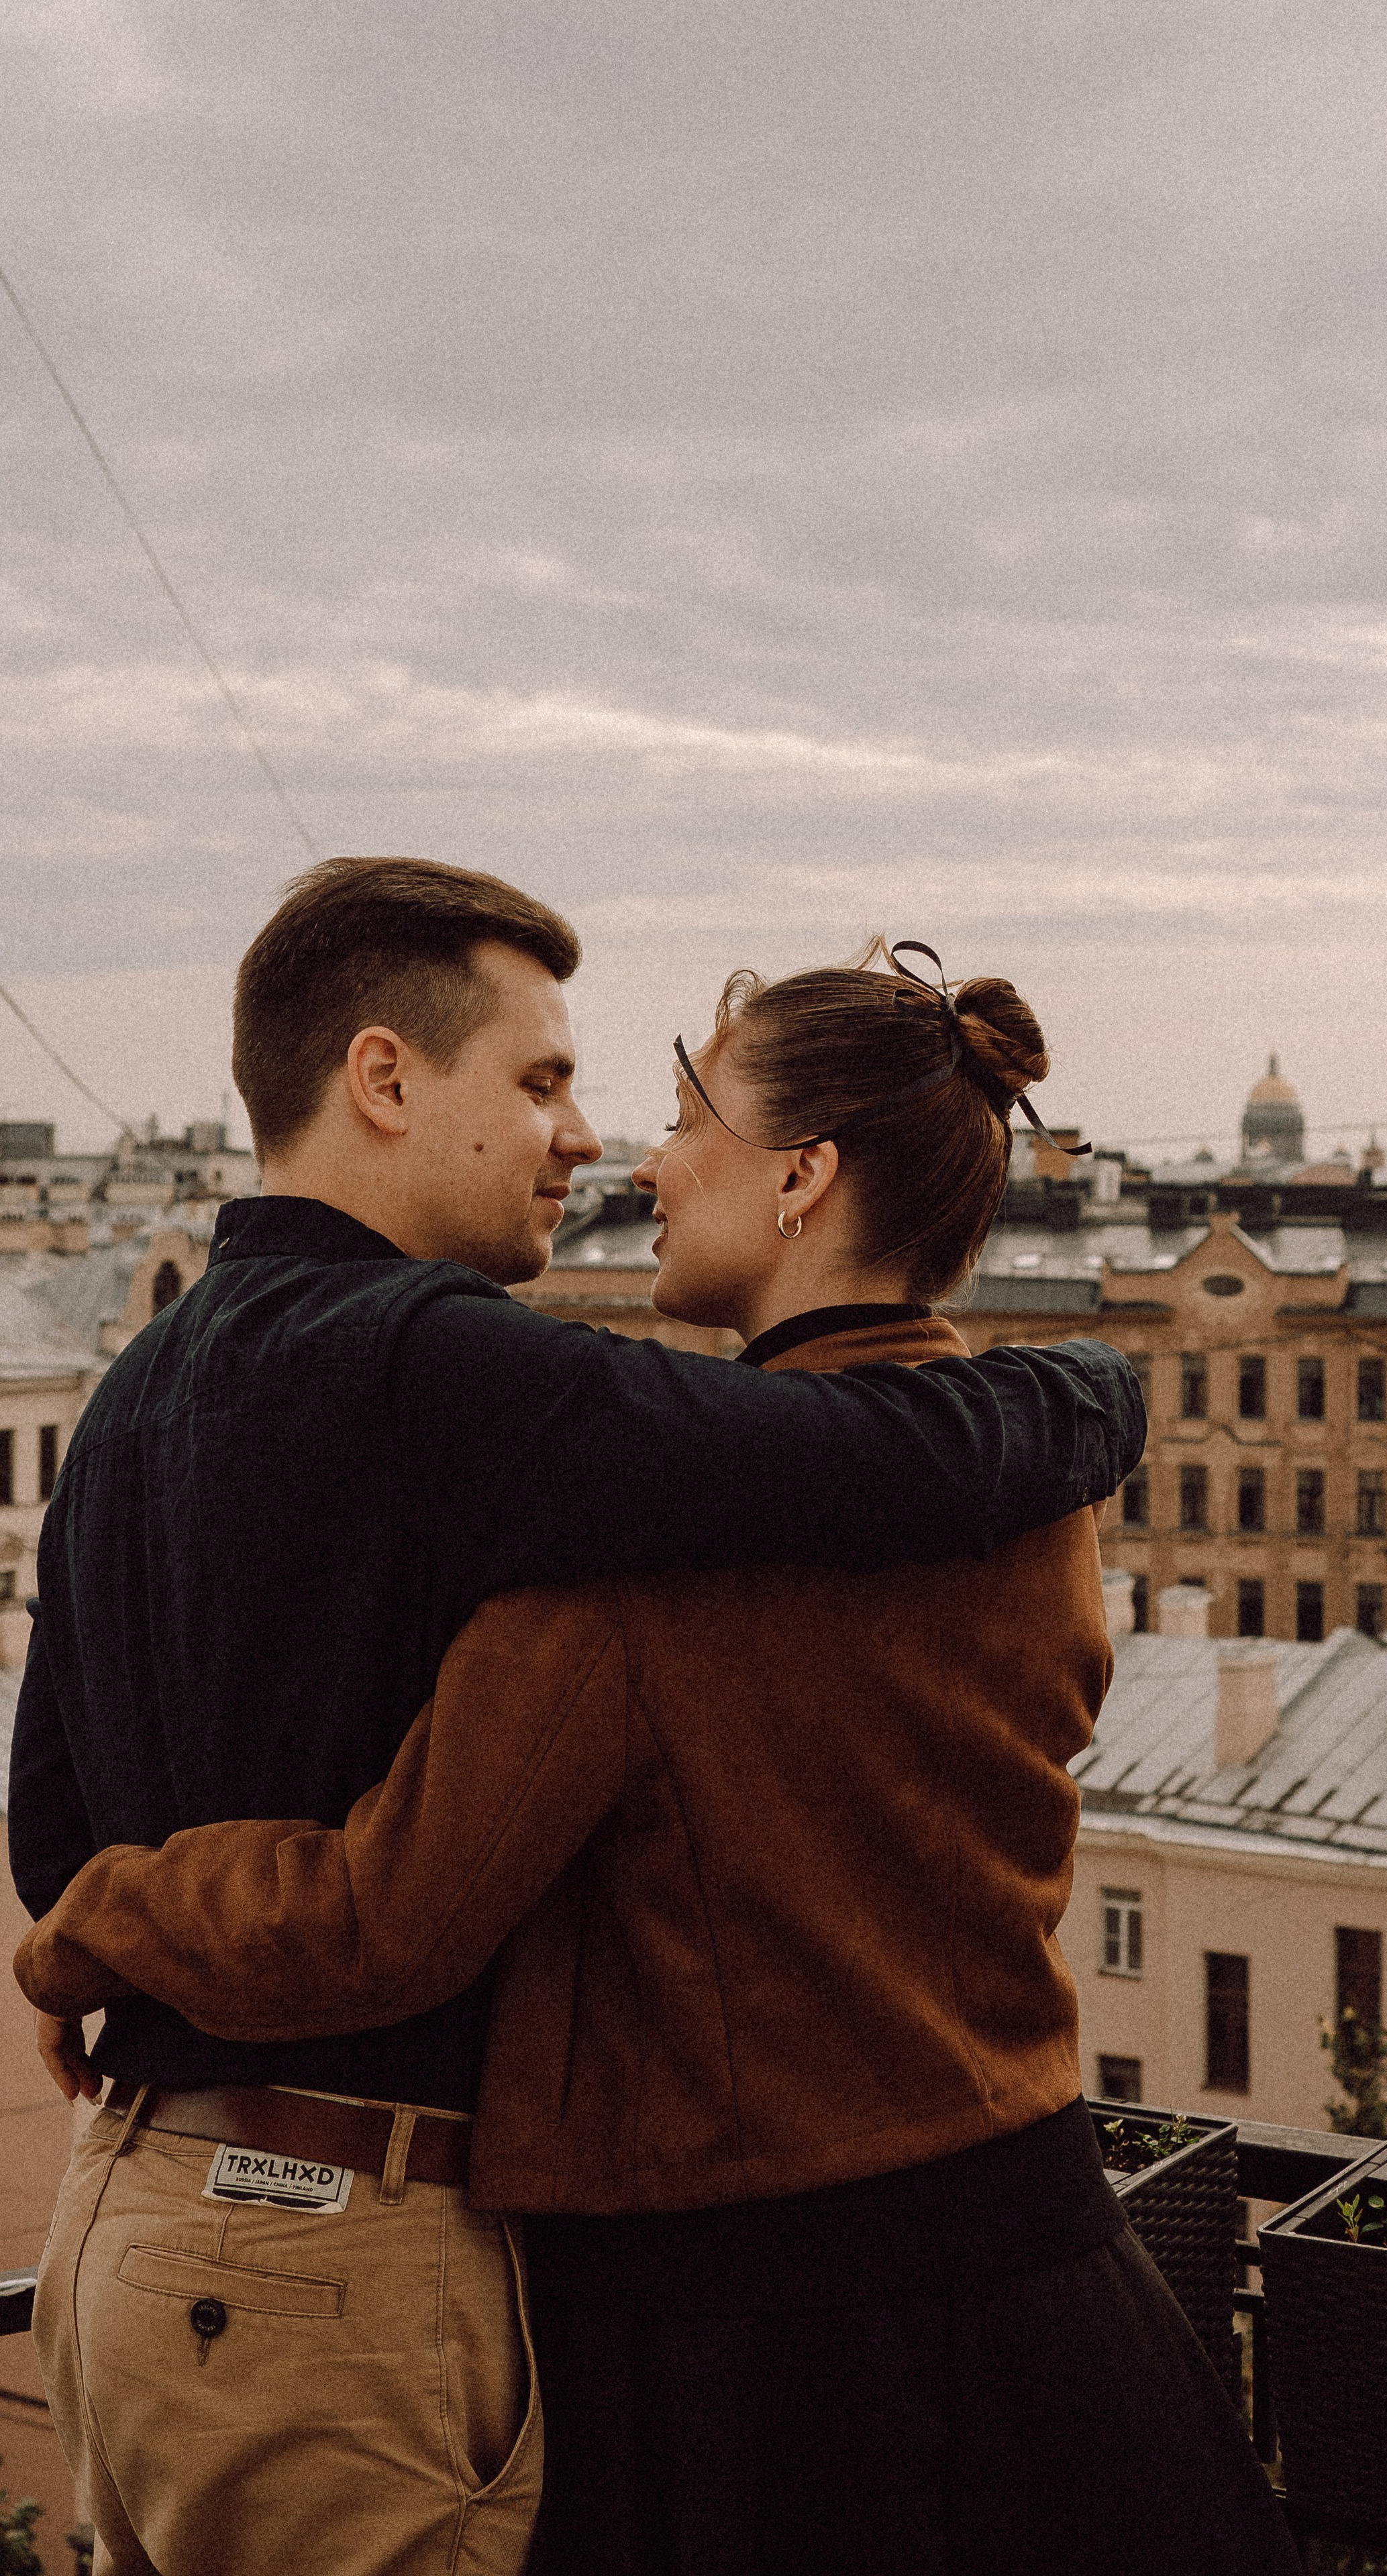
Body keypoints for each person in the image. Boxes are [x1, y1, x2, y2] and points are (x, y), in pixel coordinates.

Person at [19, 943, 1294, 2576]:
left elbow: (378, 1919)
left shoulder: (636, 1558)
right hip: (1044, 2268)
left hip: (756, 2330)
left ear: (799, 1179)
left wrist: (87, 1933)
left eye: (684, 1104)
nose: (635, 1150)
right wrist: (1103, 1384)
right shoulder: (1027, 1504)